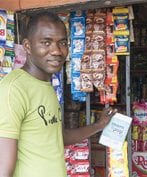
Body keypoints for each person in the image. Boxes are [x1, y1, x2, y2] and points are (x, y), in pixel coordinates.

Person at [0, 11, 117, 177]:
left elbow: (57, 137)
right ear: (27, 46)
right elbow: (3, 169)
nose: (56, 51)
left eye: (62, 43)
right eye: (46, 43)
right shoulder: (13, 90)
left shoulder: (45, 85)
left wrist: (99, 125)